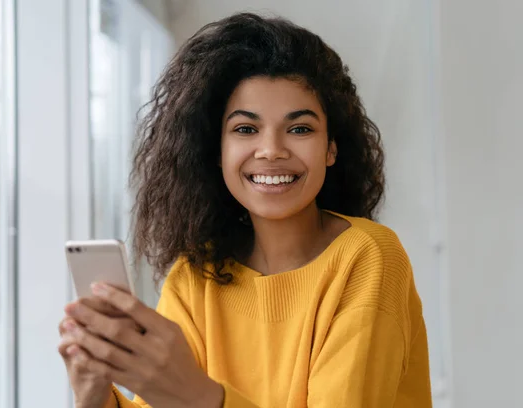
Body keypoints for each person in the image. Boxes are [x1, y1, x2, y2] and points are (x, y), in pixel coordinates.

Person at [58, 12, 432, 408]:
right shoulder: (193, 277)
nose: (271, 149)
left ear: (331, 148)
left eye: (300, 128)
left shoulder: (369, 257)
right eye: (245, 129)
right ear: (217, 153)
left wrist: (199, 396)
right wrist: (95, 395)